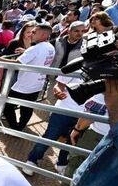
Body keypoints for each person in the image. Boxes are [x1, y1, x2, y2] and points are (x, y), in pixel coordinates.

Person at [22, 21, 86, 176]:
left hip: (84, 115)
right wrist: (58, 91)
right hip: (64, 108)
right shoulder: (74, 60)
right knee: (50, 135)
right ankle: (32, 160)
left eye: (83, 31)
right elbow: (60, 84)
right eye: (77, 30)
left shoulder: (109, 74)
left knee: (72, 139)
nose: (80, 34)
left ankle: (62, 162)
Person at [0, 24, 55, 131]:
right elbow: (38, 58)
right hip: (37, 85)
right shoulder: (50, 47)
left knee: (7, 106)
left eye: (34, 32)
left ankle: (15, 128)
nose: (31, 35)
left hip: (24, 86)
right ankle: (20, 127)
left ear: (43, 35)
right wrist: (26, 52)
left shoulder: (35, 49)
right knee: (27, 107)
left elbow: (16, 63)